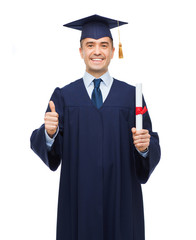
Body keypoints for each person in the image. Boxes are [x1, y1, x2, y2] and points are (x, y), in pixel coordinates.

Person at [30, 14, 161, 240]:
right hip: (79, 203)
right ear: (81, 51)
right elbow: (49, 153)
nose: (97, 51)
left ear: (112, 51)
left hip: (121, 202)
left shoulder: (133, 97)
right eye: (90, 45)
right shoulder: (64, 96)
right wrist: (49, 134)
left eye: (103, 45)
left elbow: (149, 143)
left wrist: (144, 148)